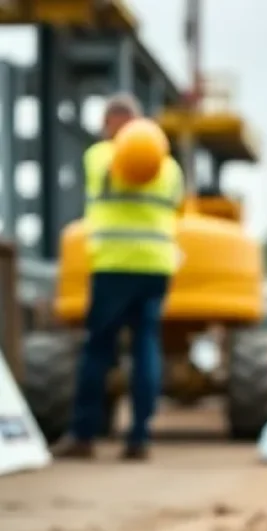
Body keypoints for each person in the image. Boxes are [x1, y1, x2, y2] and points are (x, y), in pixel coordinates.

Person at [53, 93, 184, 460]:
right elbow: (175, 204)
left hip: (113, 266)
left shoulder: (100, 157)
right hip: (156, 267)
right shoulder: (170, 169)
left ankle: (83, 434)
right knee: (146, 347)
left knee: (98, 348)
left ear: (112, 124)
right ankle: (139, 436)